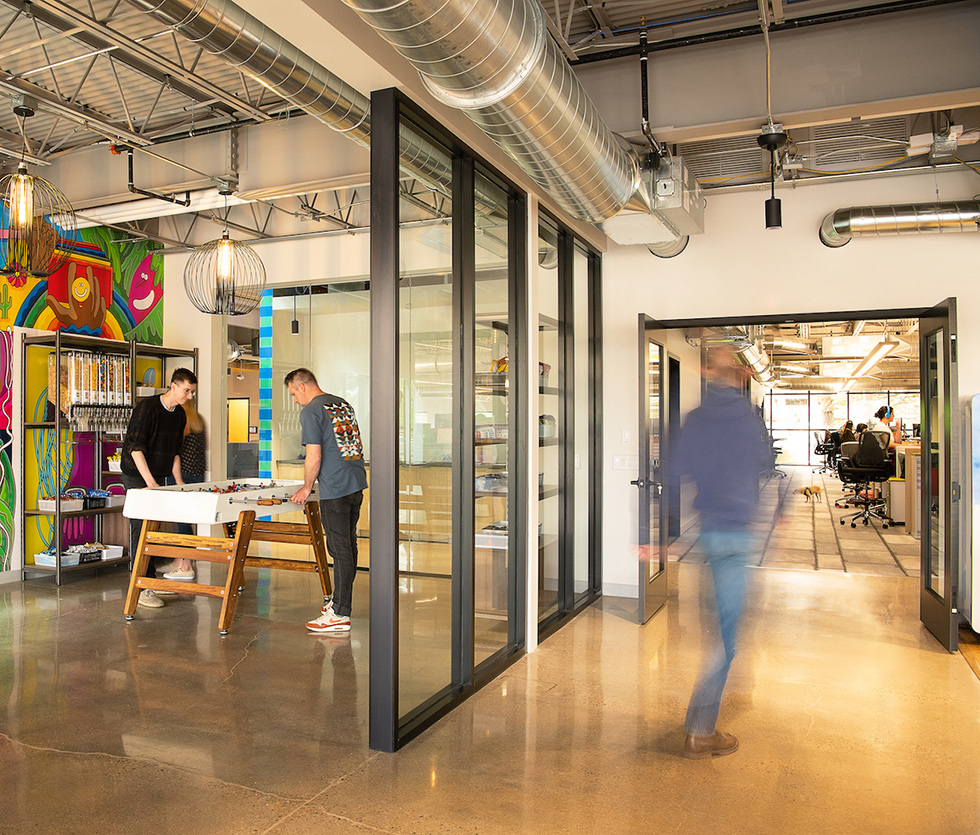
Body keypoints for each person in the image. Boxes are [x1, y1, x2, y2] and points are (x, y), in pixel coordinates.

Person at [670, 345, 774, 759]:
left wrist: (649, 532)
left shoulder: (696, 419)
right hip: (735, 533)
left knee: (718, 630)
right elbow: (764, 462)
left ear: (706, 374)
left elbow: (674, 470)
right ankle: (701, 731)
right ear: (741, 376)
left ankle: (700, 720)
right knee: (723, 640)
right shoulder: (747, 419)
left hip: (709, 533)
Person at [284, 368, 367, 633]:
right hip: (355, 482)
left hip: (335, 488)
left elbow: (314, 455)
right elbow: (354, 444)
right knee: (348, 546)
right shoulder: (342, 404)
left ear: (301, 386)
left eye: (293, 394)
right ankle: (339, 602)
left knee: (339, 549)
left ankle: (340, 613)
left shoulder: (311, 410)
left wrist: (307, 488)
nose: (295, 400)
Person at [120, 368, 198, 608]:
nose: (190, 396)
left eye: (192, 392)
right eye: (187, 391)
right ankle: (142, 587)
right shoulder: (147, 408)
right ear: (173, 386)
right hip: (137, 474)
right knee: (141, 528)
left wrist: (178, 481)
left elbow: (175, 451)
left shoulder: (179, 415)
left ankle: (150, 582)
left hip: (157, 476)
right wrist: (150, 482)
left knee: (153, 529)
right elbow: (135, 448)